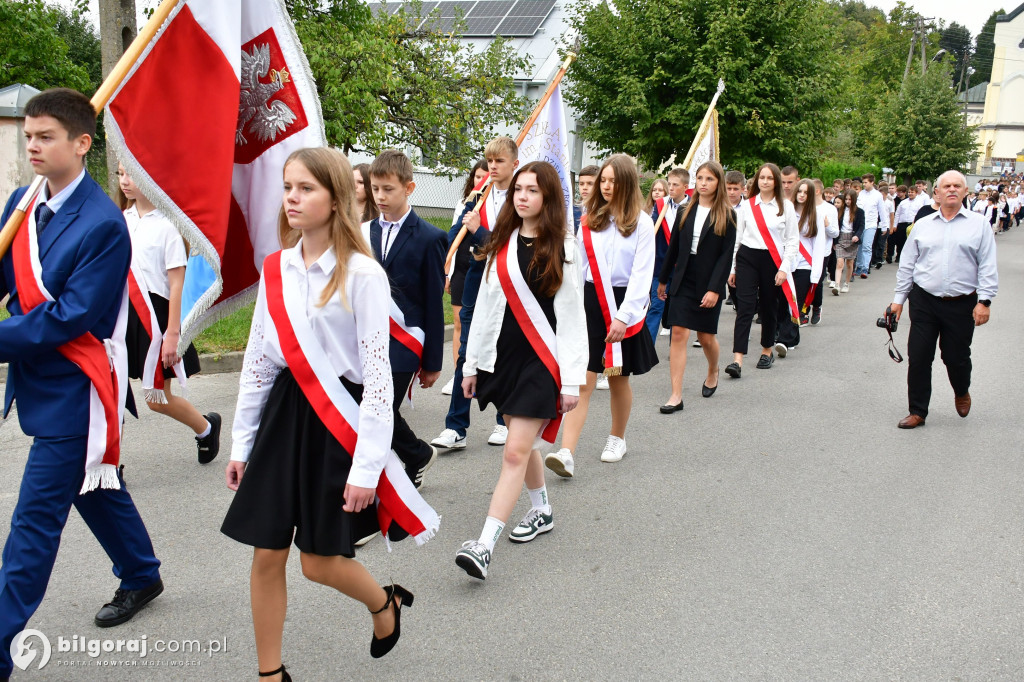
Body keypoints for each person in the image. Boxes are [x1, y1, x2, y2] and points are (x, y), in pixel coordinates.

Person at [221, 148, 439, 680]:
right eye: (288, 187)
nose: (292, 198)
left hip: (333, 423)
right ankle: (270, 673)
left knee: (318, 563)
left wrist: (367, 468)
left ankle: (383, 603)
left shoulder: (363, 274)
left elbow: (378, 379)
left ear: (336, 198)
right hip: (281, 422)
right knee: (266, 553)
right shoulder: (276, 269)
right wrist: (242, 444)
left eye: (306, 189)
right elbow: (257, 365)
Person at [0, 89, 163, 679]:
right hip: (38, 380)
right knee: (93, 484)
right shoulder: (23, 203)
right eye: (29, 137)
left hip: (77, 390)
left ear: (81, 143)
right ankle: (141, 572)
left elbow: (67, 317)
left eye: (45, 137)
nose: (34, 146)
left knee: (32, 525)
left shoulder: (101, 223)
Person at [454, 161, 587, 580]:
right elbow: (484, 310)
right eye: (518, 190)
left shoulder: (565, 248)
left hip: (542, 362)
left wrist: (570, 381)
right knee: (523, 442)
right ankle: (542, 510)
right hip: (504, 357)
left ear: (548, 197)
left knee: (513, 450)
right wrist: (470, 364)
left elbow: (572, 319)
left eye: (532, 190)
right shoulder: (501, 244)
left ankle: (483, 545)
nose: (523, 196)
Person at [546, 154, 658, 474]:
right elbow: (577, 266)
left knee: (618, 378)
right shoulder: (589, 218)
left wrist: (624, 316)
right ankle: (566, 450)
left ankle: (617, 437)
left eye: (613, 181)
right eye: (603, 181)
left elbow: (641, 274)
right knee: (584, 379)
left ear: (627, 184)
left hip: (624, 305)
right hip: (591, 301)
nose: (607, 187)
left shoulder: (642, 222)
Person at [118, 164, 221, 463]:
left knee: (156, 398)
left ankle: (205, 428)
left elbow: (177, 284)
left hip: (156, 318)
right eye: (120, 173)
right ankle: (109, 464)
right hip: (120, 317)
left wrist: (172, 334)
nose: (124, 181)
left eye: (131, 174)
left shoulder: (169, 226)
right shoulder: (119, 220)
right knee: (111, 393)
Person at [887, 170, 998, 429]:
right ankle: (917, 411)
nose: (951, 189)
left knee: (956, 357)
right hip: (924, 300)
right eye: (945, 186)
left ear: (965, 192)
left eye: (957, 186)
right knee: (919, 356)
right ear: (936, 193)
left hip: (962, 303)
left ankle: (961, 390)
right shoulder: (923, 225)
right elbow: (907, 265)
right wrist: (898, 300)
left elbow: (987, 265)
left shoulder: (978, 224)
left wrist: (985, 301)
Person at [366, 150, 446, 490]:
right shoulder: (361, 231)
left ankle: (388, 476)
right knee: (370, 409)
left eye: (388, 189)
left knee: (381, 411)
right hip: (368, 337)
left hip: (404, 342)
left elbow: (432, 302)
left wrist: (431, 362)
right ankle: (416, 454)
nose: (380, 197)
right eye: (375, 189)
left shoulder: (430, 237)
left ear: (409, 187)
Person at [431, 137, 517, 451]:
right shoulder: (480, 195)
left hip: (506, 281)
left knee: (502, 350)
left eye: (500, 162)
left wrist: (479, 230)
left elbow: (508, 245)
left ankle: (502, 421)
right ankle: (456, 428)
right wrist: (449, 248)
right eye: (489, 161)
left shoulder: (519, 199)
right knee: (466, 351)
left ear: (514, 164)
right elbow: (458, 232)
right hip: (476, 279)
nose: (493, 167)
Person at [656, 161, 736, 412]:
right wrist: (662, 278)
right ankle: (676, 395)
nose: (703, 183)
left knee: (705, 336)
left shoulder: (728, 214)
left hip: (708, 280)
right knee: (678, 333)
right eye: (700, 178)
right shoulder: (684, 211)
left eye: (709, 179)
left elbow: (726, 256)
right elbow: (674, 249)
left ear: (718, 183)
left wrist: (714, 289)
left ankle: (713, 369)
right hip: (683, 278)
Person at [725, 162, 798, 377]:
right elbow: (737, 239)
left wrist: (784, 268)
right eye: (762, 177)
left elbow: (792, 241)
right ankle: (737, 359)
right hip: (748, 257)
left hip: (772, 260)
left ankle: (767, 350)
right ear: (757, 180)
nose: (765, 181)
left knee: (768, 306)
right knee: (745, 307)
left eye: (769, 178)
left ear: (775, 182)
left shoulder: (786, 207)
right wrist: (732, 268)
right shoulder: (748, 206)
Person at [441, 159, 488, 396]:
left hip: (486, 271)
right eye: (478, 177)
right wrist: (447, 271)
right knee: (459, 322)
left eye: (486, 176)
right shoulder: (466, 203)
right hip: (461, 268)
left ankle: (484, 375)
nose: (482, 181)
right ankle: (457, 373)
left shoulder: (500, 203)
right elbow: (452, 237)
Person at [577, 165, 611, 391]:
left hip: (610, 286)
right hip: (586, 282)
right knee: (587, 336)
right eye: (582, 184)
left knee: (607, 335)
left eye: (591, 183)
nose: (586, 188)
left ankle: (608, 367)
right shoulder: (574, 211)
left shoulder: (608, 214)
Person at [647, 167, 689, 343]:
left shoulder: (693, 206)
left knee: (676, 309)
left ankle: (676, 345)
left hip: (682, 267)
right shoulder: (661, 205)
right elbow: (652, 229)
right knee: (656, 305)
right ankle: (647, 344)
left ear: (685, 187)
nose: (670, 188)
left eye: (675, 185)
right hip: (660, 264)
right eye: (669, 184)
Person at [854, 173, 887, 279]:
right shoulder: (861, 194)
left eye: (866, 182)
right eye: (863, 182)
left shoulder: (877, 195)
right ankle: (858, 267)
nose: (864, 185)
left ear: (872, 182)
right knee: (859, 246)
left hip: (871, 224)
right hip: (861, 224)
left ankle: (865, 268)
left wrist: (884, 226)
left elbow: (882, 211)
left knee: (867, 246)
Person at [831, 189, 864, 294]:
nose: (848, 201)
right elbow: (835, 225)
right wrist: (834, 241)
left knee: (850, 263)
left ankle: (846, 283)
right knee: (839, 262)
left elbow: (861, 226)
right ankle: (837, 285)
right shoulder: (839, 210)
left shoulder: (859, 212)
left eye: (850, 199)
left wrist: (857, 236)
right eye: (846, 199)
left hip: (852, 238)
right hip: (841, 237)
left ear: (854, 200)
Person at [723, 170, 746, 308]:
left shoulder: (748, 207)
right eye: (729, 189)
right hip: (724, 248)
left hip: (741, 249)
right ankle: (738, 303)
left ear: (742, 189)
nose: (732, 192)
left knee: (741, 283)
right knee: (730, 282)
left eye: (735, 189)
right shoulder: (719, 206)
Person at [892, 185, 917, 262]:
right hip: (902, 224)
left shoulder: (919, 203)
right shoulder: (903, 203)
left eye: (912, 192)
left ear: (916, 193)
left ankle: (909, 258)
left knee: (910, 242)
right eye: (909, 192)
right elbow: (897, 214)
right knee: (900, 241)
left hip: (912, 224)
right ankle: (899, 256)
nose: (910, 193)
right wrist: (895, 225)